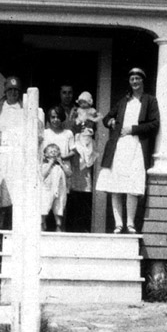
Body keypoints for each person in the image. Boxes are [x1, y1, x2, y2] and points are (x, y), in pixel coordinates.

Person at [97, 68, 159, 234]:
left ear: (142, 81)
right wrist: (111, 122)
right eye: (132, 79)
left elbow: (154, 124)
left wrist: (132, 129)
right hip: (119, 147)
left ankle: (130, 223)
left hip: (137, 146)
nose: (135, 82)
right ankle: (118, 224)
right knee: (116, 185)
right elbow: (106, 118)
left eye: (137, 78)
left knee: (132, 184)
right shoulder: (124, 101)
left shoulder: (149, 101)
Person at [0, 76, 43, 230]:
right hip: (2, 156)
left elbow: (36, 130)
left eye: (16, 90)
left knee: (18, 195)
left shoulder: (24, 110)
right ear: (5, 92)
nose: (13, 93)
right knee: (2, 194)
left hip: (19, 157)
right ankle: (1, 228)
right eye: (10, 90)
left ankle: (16, 229)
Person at [65, 92, 99, 232]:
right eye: (81, 102)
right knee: (74, 187)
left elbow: (94, 123)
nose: (83, 105)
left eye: (86, 102)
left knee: (85, 186)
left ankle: (84, 224)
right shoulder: (76, 112)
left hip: (87, 140)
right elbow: (72, 126)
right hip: (77, 141)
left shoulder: (91, 112)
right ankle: (72, 225)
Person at [39, 141, 71, 231]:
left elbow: (69, 174)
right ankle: (42, 223)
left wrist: (61, 163)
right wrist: (50, 163)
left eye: (55, 151)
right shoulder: (44, 165)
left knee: (59, 205)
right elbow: (43, 174)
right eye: (50, 151)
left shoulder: (62, 165)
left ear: (59, 153)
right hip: (47, 188)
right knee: (45, 205)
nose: (53, 153)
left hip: (60, 189)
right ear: (45, 155)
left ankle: (58, 225)